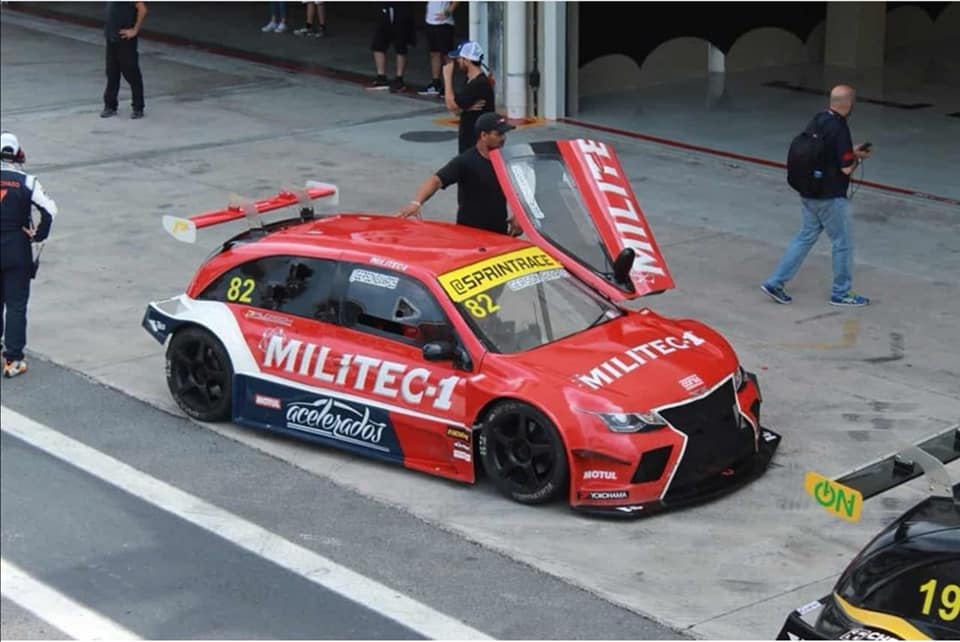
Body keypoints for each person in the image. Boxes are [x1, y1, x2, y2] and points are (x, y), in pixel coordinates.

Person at [761, 84, 873, 307]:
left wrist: (850, 150)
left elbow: (824, 151)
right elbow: (846, 169)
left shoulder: (819, 119)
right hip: (830, 197)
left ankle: (775, 282)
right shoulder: (840, 128)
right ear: (849, 104)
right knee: (842, 243)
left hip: (809, 192)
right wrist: (858, 158)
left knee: (805, 237)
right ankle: (841, 293)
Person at [397, 112, 519, 236]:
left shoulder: (506, 160)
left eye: (504, 134)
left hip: (499, 234)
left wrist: (519, 217)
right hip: (469, 234)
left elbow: (521, 189)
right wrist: (416, 203)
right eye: (498, 134)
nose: (503, 138)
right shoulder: (466, 161)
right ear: (483, 135)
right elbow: (436, 180)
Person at [0, 132, 57, 378]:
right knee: (16, 305)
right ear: (17, 154)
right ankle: (13, 360)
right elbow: (51, 210)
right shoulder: (27, 181)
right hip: (17, 248)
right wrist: (39, 235)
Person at [443, 40, 495, 153]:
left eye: (459, 58)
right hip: (470, 143)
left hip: (475, 146)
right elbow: (457, 110)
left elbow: (451, 106)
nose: (457, 61)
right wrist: (464, 108)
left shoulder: (478, 84)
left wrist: (447, 77)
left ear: (467, 60)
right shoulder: (470, 80)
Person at [101, 1, 148, 119]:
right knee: (112, 73)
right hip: (111, 37)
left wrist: (135, 30)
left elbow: (142, 9)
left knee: (131, 73)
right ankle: (110, 106)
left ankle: (138, 107)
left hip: (125, 39)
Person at [368, 3, 416, 93]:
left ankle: (399, 79)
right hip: (385, 8)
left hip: (401, 10)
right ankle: (381, 77)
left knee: (400, 46)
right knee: (377, 45)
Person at [417, 1, 458, 97]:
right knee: (434, 53)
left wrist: (449, 11)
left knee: (447, 55)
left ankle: (448, 86)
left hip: (444, 23)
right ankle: (436, 83)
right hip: (430, 21)